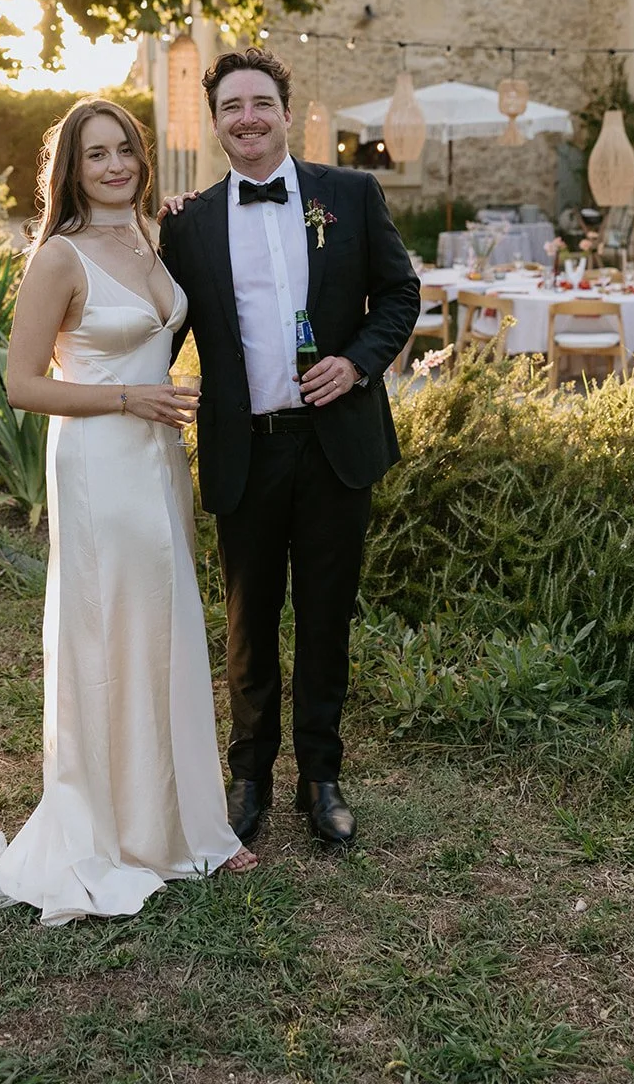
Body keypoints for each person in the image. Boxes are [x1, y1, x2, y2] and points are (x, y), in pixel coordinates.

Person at [0, 99, 255, 927]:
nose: (115, 165)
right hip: (100, 462)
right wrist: (129, 396)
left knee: (168, 628)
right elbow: (23, 384)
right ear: (73, 170)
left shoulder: (153, 238)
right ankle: (117, 832)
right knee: (115, 628)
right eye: (97, 155)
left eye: (124, 149)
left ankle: (186, 825)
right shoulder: (59, 256)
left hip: (159, 462)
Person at [160, 49, 420, 848]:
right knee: (248, 621)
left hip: (338, 444)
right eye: (232, 105)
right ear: (216, 123)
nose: (248, 117)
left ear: (285, 110)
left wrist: (358, 360)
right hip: (248, 448)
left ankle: (322, 777)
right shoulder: (188, 222)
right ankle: (248, 781)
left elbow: (401, 293)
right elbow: (155, 327)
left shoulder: (350, 193)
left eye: (261, 102)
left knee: (327, 618)